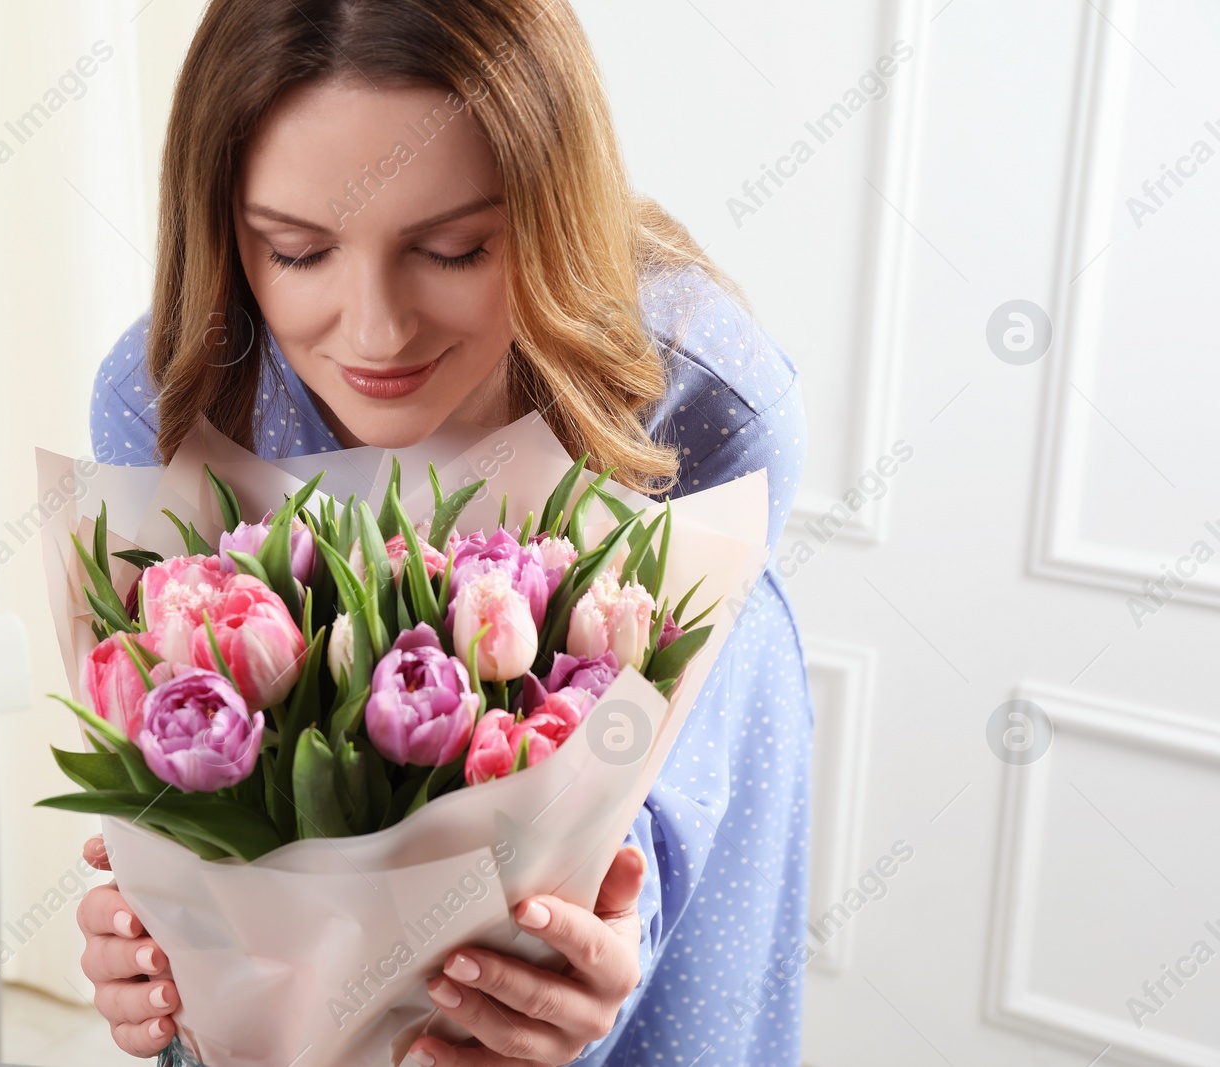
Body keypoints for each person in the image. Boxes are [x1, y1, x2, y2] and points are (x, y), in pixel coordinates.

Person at [74, 1, 813, 1064]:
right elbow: (177, 785)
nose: (375, 331)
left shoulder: (698, 408)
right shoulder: (168, 395)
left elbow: (684, 767)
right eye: (295, 251)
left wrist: (588, 942)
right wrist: (146, 937)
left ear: (551, 207)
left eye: (456, 248)